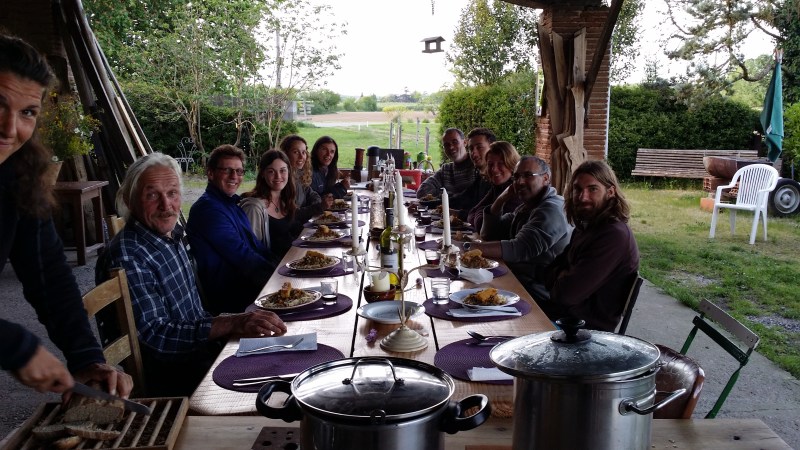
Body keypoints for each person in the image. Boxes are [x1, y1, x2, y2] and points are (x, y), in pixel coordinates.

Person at [0, 34, 132, 397]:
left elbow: (49, 274)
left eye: (27, 112)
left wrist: (87, 357)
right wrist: (15, 345)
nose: (10, 129)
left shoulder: (16, 177)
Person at [99, 153, 287, 396]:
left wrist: (234, 323)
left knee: (291, 346)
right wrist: (231, 323)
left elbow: (195, 315)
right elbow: (157, 338)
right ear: (129, 199)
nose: (166, 206)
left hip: (205, 351)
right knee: (285, 381)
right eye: (152, 195)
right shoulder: (128, 256)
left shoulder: (171, 236)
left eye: (172, 193)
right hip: (180, 378)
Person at [543, 160, 640, 331]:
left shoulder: (613, 236)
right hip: (561, 315)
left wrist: (562, 277)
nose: (583, 197)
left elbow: (565, 294)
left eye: (592, 189)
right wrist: (561, 276)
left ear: (610, 192)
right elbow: (548, 272)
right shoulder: (587, 228)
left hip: (582, 331)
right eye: (578, 189)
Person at [186, 144, 277, 315]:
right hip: (234, 298)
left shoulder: (230, 204)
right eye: (227, 170)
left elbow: (256, 247)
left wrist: (280, 268)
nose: (234, 176)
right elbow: (242, 257)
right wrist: (277, 279)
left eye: (239, 171)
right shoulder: (208, 210)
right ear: (210, 173)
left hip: (247, 285)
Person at [470, 156, 571, 301]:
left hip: (539, 295)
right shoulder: (527, 207)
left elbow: (520, 248)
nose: (520, 182)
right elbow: (488, 234)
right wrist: (501, 198)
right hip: (519, 282)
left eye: (528, 175)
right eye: (516, 177)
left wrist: (467, 248)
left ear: (546, 179)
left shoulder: (552, 209)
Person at [240, 149, 298, 260]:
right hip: (272, 268)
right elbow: (251, 252)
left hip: (291, 261)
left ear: (289, 172)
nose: (278, 176)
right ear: (262, 173)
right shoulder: (253, 208)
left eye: (283, 170)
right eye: (271, 171)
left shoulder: (284, 200)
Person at [416, 128, 484, 212]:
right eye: (446, 145)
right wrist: (446, 196)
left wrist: (444, 196)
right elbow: (422, 191)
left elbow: (471, 199)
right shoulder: (446, 169)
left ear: (465, 142)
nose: (451, 147)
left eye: (455, 142)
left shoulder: (477, 166)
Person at [467, 141, 521, 231]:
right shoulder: (497, 187)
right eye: (490, 164)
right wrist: (483, 212)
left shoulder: (515, 191)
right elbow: (471, 214)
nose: (494, 169)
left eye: (501, 164)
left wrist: (482, 211)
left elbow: (486, 227)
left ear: (512, 165)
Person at [279, 134, 331, 222]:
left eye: (303, 152)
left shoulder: (299, 175)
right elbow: (292, 214)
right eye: (296, 152)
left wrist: (318, 204)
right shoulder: (282, 181)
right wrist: (318, 207)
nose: (301, 157)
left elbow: (313, 195)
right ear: (285, 154)